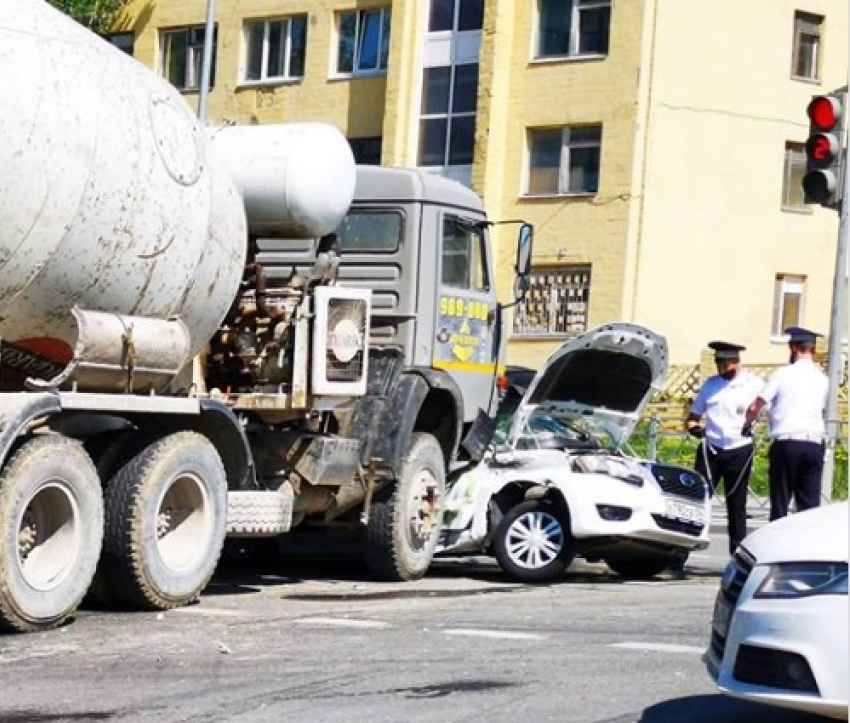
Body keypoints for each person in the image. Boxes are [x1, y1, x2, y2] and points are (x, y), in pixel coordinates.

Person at [685, 341, 764, 555]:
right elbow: (693, 417)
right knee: (696, 502)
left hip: (739, 449)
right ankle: (679, 554)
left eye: (726, 363)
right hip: (711, 450)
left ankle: (737, 555)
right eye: (718, 362)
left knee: (736, 506)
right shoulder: (710, 385)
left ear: (736, 362)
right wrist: (695, 429)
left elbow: (767, 411)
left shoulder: (753, 384)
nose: (721, 367)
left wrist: (756, 424)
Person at [743, 326, 828, 521]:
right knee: (809, 507)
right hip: (814, 443)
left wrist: (747, 424)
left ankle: (777, 545)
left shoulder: (782, 374)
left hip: (788, 443)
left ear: (794, 348)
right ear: (813, 350)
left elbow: (757, 405)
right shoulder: (822, 379)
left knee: (780, 503)